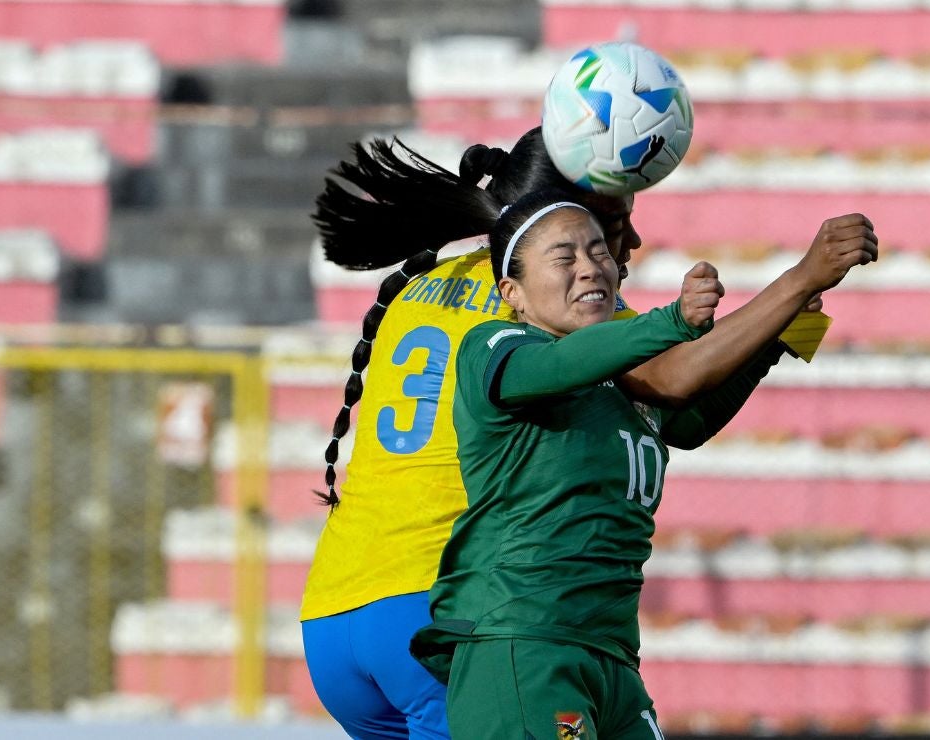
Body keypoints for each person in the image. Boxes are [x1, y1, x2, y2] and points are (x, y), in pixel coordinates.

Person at [300, 127, 878, 739]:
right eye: (613, 223)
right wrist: (794, 281)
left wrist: (780, 331)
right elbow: (675, 379)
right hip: (454, 612)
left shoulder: (421, 285)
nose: (628, 243)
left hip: (335, 609)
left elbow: (679, 419)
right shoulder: (553, 307)